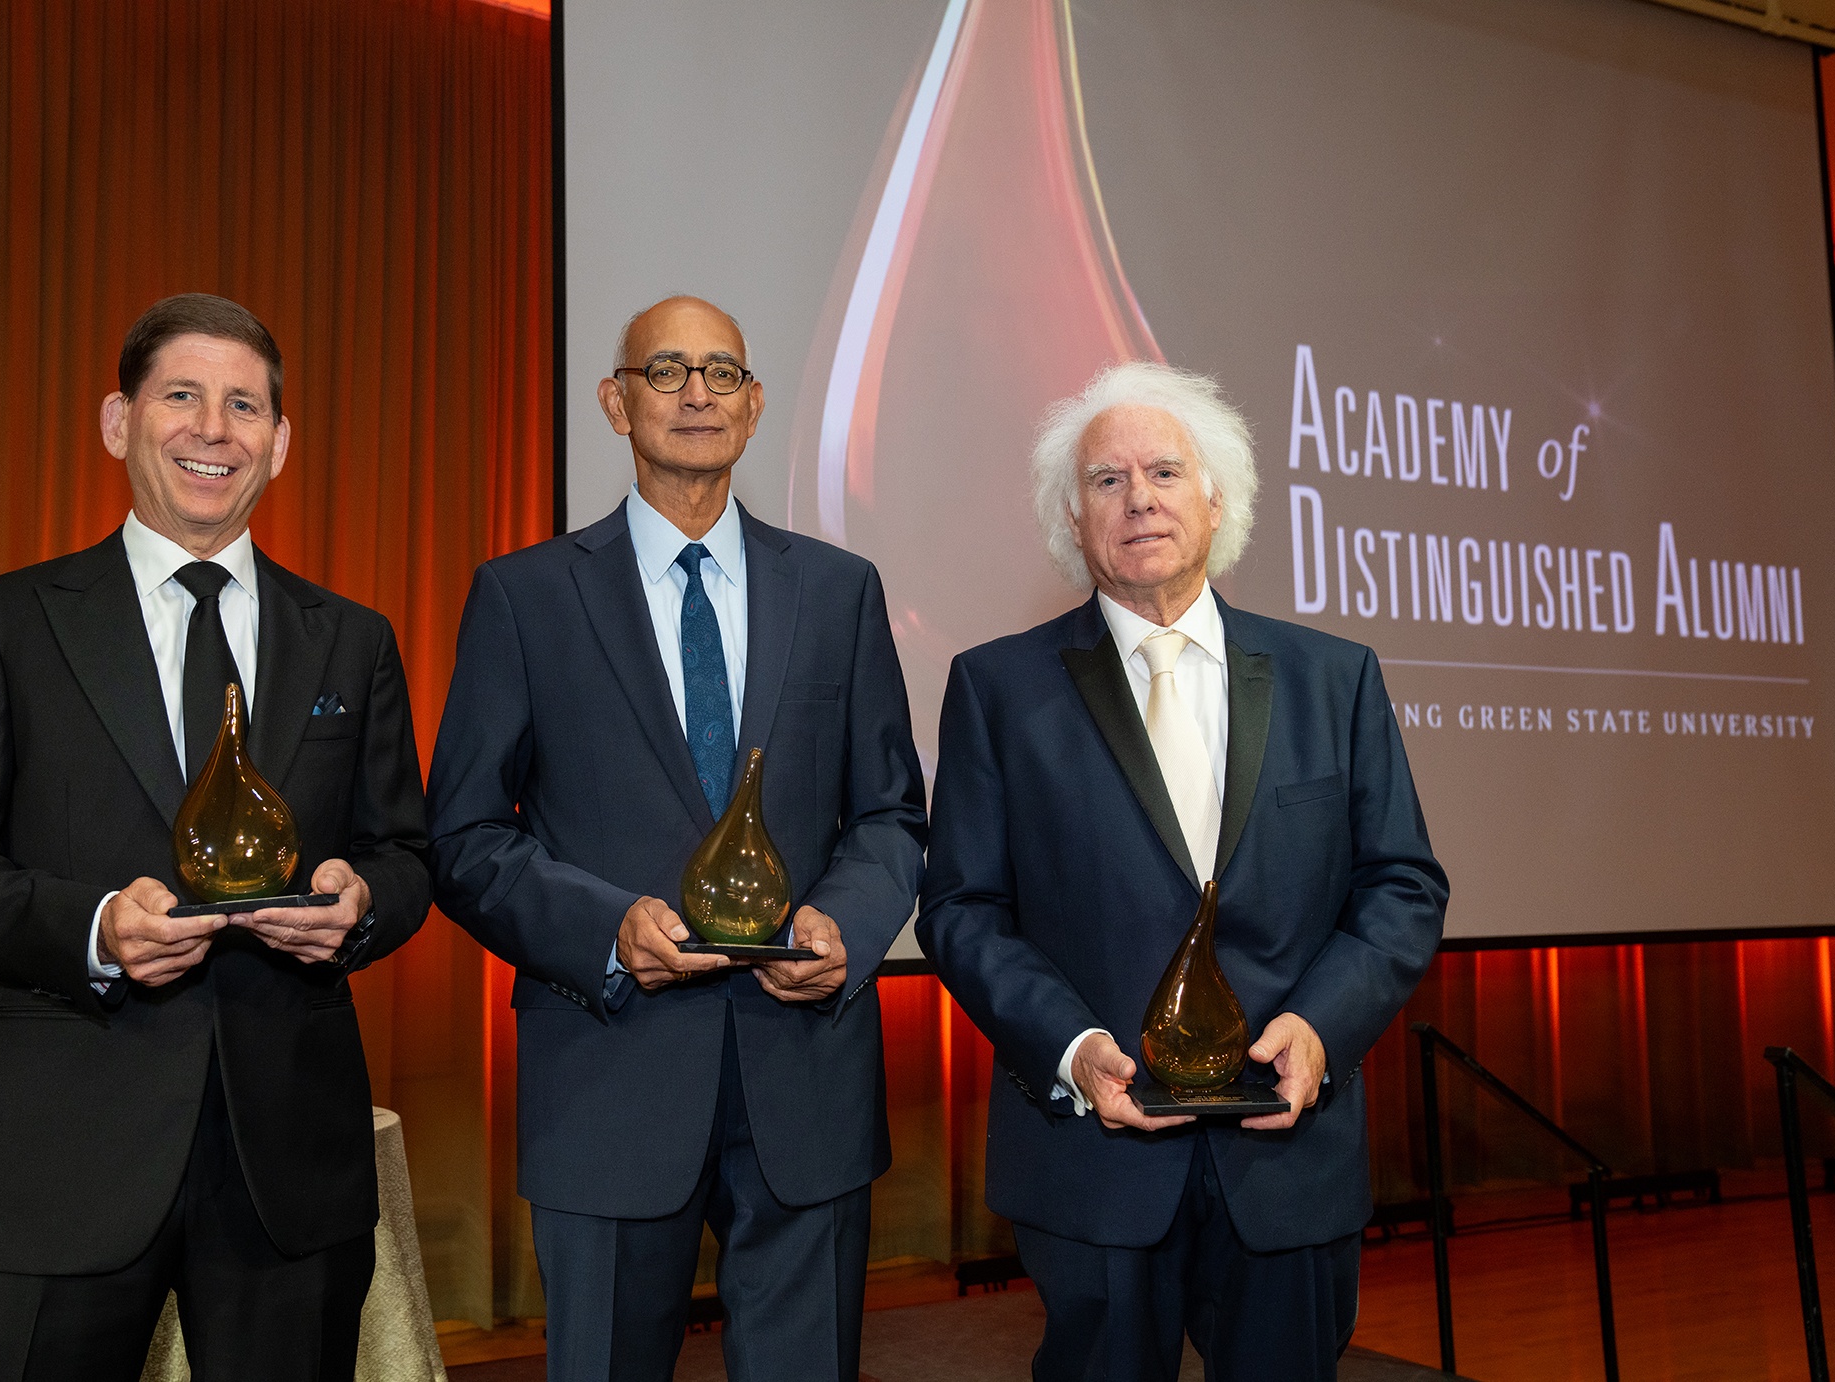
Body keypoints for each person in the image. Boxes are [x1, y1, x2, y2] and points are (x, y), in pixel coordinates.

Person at [0, 293, 433, 1381]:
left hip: (288, 1172)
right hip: (53, 1160)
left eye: (243, 405)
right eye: (181, 395)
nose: (213, 429)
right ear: (118, 421)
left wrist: (360, 905)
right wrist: (90, 927)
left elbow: (405, 852)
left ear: (280, 440)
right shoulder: (10, 620)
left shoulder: (353, 639)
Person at [427, 295, 927, 1382]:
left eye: (720, 372)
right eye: (665, 370)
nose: (695, 392)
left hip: (806, 1077)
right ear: (615, 401)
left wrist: (844, 923)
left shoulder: (839, 592)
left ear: (753, 410)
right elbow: (462, 836)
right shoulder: (524, 596)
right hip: (607, 1077)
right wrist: (609, 928)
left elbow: (889, 810)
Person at [916, 361, 1447, 1381]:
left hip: (1286, 1150)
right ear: (1072, 519)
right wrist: (1070, 1047)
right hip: (1093, 1160)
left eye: (1164, 470)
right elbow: (962, 908)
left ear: (1218, 500)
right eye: (1106, 481)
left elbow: (1401, 885)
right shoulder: (996, 687)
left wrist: (1321, 1026)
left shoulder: (1333, 677)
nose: (1139, 497)